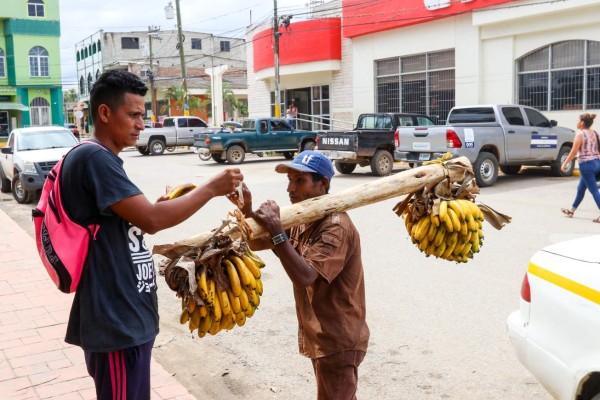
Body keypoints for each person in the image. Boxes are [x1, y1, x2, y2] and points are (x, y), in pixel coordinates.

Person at [60, 70, 243, 399]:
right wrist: (212, 187)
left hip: (127, 318)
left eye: (141, 116)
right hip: (115, 322)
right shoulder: (93, 157)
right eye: (133, 115)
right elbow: (152, 220)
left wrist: (151, 211)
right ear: (104, 113)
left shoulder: (107, 160)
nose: (141, 125)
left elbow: (137, 222)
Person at [230, 150, 370, 400]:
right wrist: (247, 210)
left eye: (299, 181)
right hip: (322, 336)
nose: (290, 189)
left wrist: (277, 231)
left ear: (322, 184)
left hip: (338, 339)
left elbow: (306, 276)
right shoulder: (302, 217)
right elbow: (257, 242)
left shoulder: (335, 226)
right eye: (289, 180)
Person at [560, 112, 600, 223]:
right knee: (581, 189)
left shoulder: (580, 134)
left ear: (582, 123)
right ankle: (572, 210)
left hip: (586, 166)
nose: (577, 123)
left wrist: (564, 164)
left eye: (578, 121)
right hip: (596, 164)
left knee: (594, 191)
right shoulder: (595, 133)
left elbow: (573, 152)